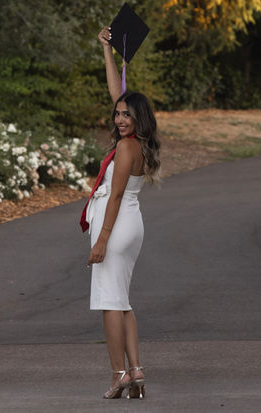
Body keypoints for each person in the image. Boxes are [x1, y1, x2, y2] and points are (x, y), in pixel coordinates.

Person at [85, 25, 161, 399]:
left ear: (138, 118)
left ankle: (119, 376)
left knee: (109, 304)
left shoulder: (128, 147)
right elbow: (119, 95)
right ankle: (136, 370)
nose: (119, 119)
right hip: (130, 224)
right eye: (117, 114)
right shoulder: (139, 143)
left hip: (115, 226)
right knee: (121, 301)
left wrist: (101, 240)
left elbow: (114, 197)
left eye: (126, 115)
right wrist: (107, 50)